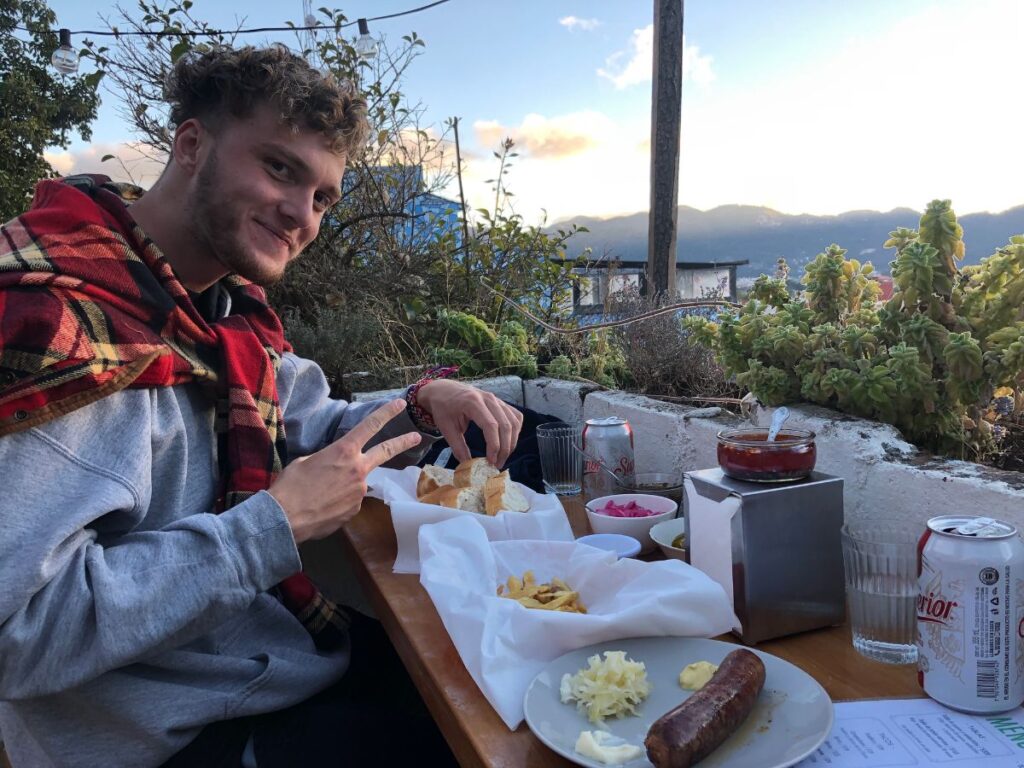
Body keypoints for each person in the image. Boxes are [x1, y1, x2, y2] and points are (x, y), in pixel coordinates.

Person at [0, 45, 522, 767]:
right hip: (165, 736)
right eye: (279, 168)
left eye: (322, 197)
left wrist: (425, 404)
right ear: (191, 145)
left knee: (499, 680)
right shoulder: (54, 332)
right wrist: (272, 526)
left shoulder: (226, 314)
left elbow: (316, 426)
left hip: (266, 659)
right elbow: (18, 637)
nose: (300, 216)